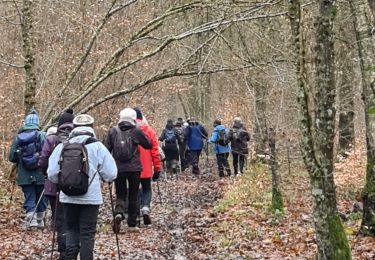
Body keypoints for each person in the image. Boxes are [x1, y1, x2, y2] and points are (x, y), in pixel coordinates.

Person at [48, 114, 117, 260]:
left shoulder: (63, 146)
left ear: (74, 128)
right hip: (91, 199)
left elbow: (52, 174)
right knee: (87, 234)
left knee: (71, 230)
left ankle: (70, 257)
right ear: (91, 128)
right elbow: (111, 174)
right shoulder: (98, 146)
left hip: (67, 197)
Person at [104, 108, 152, 232]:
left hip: (118, 168)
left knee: (120, 193)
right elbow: (148, 144)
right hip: (134, 168)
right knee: (133, 194)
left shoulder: (113, 131)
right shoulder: (136, 130)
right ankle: (132, 223)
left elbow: (106, 150)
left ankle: (119, 212)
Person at [38, 108, 74, 258]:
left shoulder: (51, 139)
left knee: (59, 219)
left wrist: (45, 173)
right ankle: (73, 249)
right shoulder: (78, 139)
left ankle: (63, 250)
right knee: (72, 219)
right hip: (74, 186)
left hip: (54, 186)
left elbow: (43, 159)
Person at [8, 109, 47, 229]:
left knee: (29, 196)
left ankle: (31, 220)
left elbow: (11, 157)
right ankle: (40, 221)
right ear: (37, 122)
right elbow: (47, 154)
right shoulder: (42, 135)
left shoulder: (18, 137)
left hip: (24, 174)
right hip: (40, 173)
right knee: (41, 196)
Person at [133, 107, 161, 225]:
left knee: (134, 190)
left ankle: (136, 214)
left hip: (131, 167)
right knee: (146, 189)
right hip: (146, 167)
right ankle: (145, 208)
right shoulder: (149, 130)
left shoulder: (126, 130)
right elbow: (155, 151)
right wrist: (157, 168)